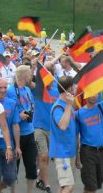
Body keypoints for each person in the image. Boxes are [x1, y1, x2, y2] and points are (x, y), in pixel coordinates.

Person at [7, 65, 37, 193]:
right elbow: (8, 110)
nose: (31, 76)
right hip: (16, 134)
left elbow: (31, 104)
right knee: (14, 168)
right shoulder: (10, 90)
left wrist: (30, 111)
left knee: (31, 167)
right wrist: (19, 115)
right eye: (30, 74)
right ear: (25, 76)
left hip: (29, 132)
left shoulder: (27, 89)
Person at [0, 78, 21, 193]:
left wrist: (17, 146)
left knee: (10, 177)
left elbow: (15, 125)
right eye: (0, 87)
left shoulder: (11, 103)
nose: (3, 90)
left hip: (8, 146)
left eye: (5, 87)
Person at [33, 63, 59, 193]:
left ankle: (39, 179)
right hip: (39, 128)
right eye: (45, 76)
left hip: (52, 129)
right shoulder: (38, 90)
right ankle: (46, 183)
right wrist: (34, 66)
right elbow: (27, 80)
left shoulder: (58, 90)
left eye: (50, 76)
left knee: (46, 157)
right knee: (43, 155)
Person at [49, 76, 77, 193]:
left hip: (70, 151)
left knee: (63, 186)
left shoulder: (67, 105)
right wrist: (70, 105)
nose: (75, 89)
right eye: (74, 86)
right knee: (68, 186)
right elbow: (63, 126)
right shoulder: (58, 107)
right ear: (69, 89)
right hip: (61, 152)